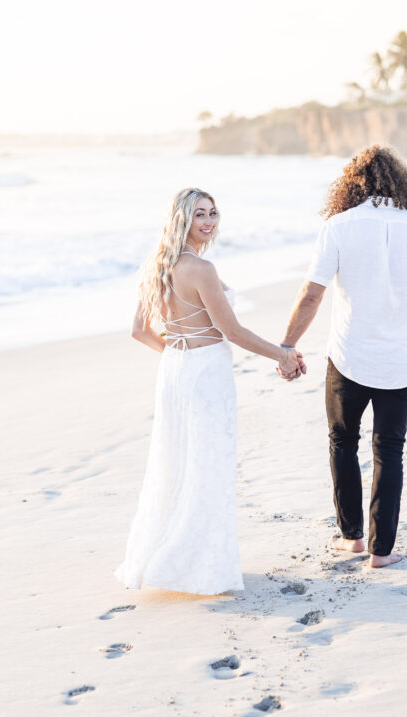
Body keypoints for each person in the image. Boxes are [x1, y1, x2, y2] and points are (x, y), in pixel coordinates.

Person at [115, 188, 303, 594]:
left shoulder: (156, 265)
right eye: (200, 214)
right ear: (181, 218)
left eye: (213, 213)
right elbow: (231, 331)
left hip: (175, 370)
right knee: (208, 464)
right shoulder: (201, 269)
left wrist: (178, 354)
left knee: (176, 461)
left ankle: (167, 558)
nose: (209, 221)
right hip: (204, 373)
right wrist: (282, 355)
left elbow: (138, 331)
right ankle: (198, 568)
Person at [279, 145, 407, 568]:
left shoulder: (339, 226)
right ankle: (383, 552)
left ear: (352, 183)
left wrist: (287, 345)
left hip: (348, 356)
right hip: (398, 362)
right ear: (404, 184)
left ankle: (352, 538)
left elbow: (311, 294)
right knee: (389, 450)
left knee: (342, 443)